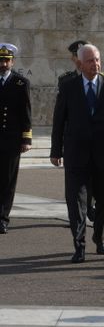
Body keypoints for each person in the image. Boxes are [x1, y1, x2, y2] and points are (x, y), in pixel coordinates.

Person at [50, 44, 104, 263]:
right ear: (80, 63)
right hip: (76, 154)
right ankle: (79, 245)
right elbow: (59, 121)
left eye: (97, 60)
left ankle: (99, 236)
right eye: (90, 61)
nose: (95, 64)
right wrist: (56, 150)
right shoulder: (68, 87)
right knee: (76, 202)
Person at [60, 40, 96, 222]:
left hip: (95, 141)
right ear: (75, 59)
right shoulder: (66, 80)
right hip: (74, 140)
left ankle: (90, 205)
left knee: (92, 180)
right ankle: (76, 214)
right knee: (74, 183)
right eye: (79, 55)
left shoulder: (103, 79)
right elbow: (62, 114)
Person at [0, 43, 32, 234]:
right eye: (1, 61)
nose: (3, 64)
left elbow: (26, 112)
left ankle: (3, 218)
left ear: (12, 62)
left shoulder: (21, 83)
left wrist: (26, 139)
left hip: (11, 139)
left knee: (8, 180)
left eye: (6, 60)